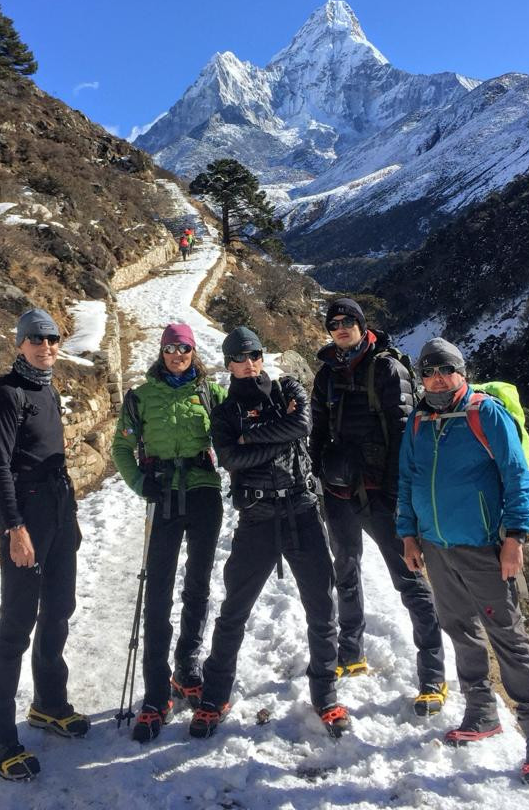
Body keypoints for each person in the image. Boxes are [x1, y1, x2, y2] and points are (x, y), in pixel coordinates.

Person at [398, 338, 529, 786]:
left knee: (508, 638)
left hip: (485, 547)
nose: (437, 379)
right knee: (460, 630)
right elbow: (408, 479)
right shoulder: (418, 421)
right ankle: (481, 711)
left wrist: (515, 537)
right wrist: (409, 535)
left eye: (445, 370)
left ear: (461, 372)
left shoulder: (484, 413)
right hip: (435, 546)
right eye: (428, 372)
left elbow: (515, 474)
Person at [190, 327, 350, 739]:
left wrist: (253, 440)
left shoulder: (287, 389)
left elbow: (302, 423)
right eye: (240, 357)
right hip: (258, 517)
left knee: (321, 607)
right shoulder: (225, 413)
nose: (249, 363)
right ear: (228, 363)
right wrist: (277, 439)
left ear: (262, 355)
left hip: (302, 509)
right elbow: (229, 457)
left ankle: (326, 694)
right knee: (234, 611)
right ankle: (215, 695)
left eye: (255, 354)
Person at [309, 299, 446, 715]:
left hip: (382, 497)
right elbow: (317, 430)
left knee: (410, 581)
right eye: (334, 323)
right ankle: (350, 653)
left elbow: (404, 432)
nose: (342, 328)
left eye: (348, 321)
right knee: (345, 571)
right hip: (339, 493)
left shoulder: (387, 368)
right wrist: (320, 473)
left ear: (362, 324)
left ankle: (434, 676)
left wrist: (394, 493)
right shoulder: (327, 374)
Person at [0, 308, 88, 782]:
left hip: (59, 511)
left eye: (53, 339)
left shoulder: (47, 390)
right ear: (19, 343)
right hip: (26, 518)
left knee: (59, 608)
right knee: (16, 625)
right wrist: (14, 528)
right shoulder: (6, 395)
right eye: (36, 339)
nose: (46, 346)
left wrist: (70, 521)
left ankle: (48, 702)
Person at [112, 323, 226, 742]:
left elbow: (232, 434)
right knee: (156, 592)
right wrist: (142, 485)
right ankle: (156, 692)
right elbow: (121, 448)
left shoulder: (211, 394)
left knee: (197, 586)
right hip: (162, 495)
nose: (177, 354)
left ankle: (187, 667)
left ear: (193, 352)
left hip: (202, 493)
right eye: (170, 348)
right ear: (161, 352)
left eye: (184, 348)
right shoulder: (140, 398)